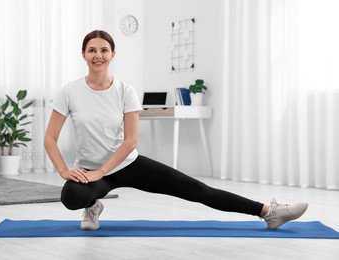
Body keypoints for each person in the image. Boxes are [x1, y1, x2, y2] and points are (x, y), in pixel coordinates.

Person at [44, 30, 308, 231]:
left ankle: (268, 212)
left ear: (113, 54)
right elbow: (50, 139)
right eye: (91, 50)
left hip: (126, 163)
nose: (98, 55)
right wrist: (64, 170)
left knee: (197, 190)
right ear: (83, 55)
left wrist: (102, 171)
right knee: (71, 196)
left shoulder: (124, 90)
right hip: (90, 170)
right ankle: (92, 206)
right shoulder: (70, 92)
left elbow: (130, 141)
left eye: (104, 50)